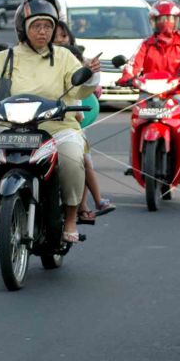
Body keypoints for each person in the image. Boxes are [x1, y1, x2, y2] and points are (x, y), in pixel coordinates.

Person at [0, 0, 101, 244]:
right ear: (23, 28)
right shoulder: (5, 58)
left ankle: (71, 217)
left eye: (47, 26)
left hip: (58, 128)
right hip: (15, 131)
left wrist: (89, 74)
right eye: (36, 26)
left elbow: (81, 88)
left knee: (73, 159)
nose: (43, 32)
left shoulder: (63, 57)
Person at [118, 0, 180, 177]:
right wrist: (127, 77)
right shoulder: (145, 44)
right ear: (153, 22)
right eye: (161, 19)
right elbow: (133, 64)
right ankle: (133, 162)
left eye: (169, 19)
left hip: (177, 91)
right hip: (148, 91)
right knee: (136, 119)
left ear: (177, 21)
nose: (165, 23)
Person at [53, 25, 116, 223]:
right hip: (36, 127)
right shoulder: (31, 61)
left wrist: (90, 77)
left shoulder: (76, 61)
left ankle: (84, 207)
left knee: (79, 161)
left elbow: (86, 96)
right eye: (56, 36)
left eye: (63, 35)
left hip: (69, 129)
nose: (60, 39)